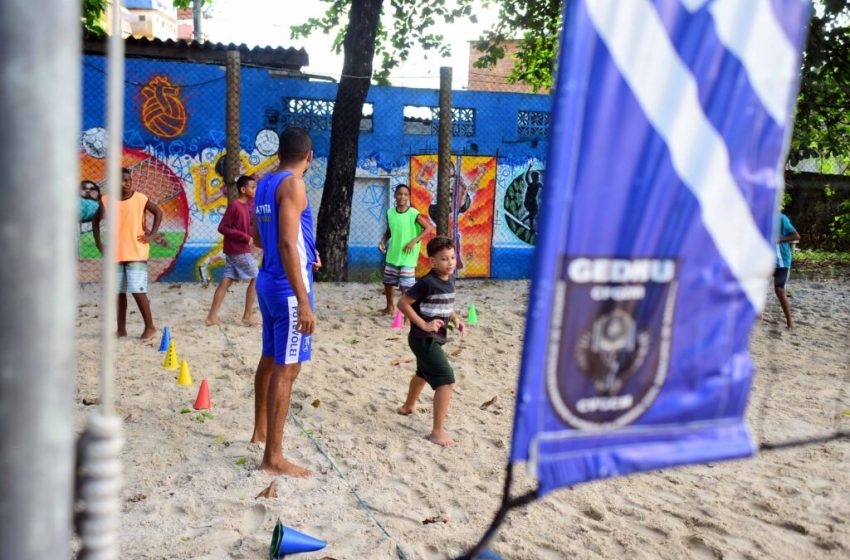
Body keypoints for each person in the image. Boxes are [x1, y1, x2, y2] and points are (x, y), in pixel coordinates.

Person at [249, 127, 320, 477]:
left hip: (267, 281)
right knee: (288, 369)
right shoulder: (294, 183)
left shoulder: (264, 182)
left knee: (270, 356)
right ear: (309, 156)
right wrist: (304, 302)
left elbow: (259, 236)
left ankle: (260, 430)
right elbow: (288, 244)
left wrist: (307, 253)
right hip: (288, 289)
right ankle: (273, 457)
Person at [396, 235, 465, 447]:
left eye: (452, 257)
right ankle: (437, 432)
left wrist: (455, 319)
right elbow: (403, 304)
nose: (450, 262)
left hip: (433, 338)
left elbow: (445, 303)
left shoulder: (450, 279)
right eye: (444, 259)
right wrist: (423, 324)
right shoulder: (426, 283)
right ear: (432, 262)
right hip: (424, 338)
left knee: (423, 373)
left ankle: (408, 406)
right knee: (445, 380)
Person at [93, 167, 163, 339]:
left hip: (136, 253)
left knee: (138, 291)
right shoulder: (106, 200)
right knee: (119, 293)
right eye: (122, 180)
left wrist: (152, 235)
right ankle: (121, 329)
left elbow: (158, 212)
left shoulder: (140, 199)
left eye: (129, 180)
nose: (126, 183)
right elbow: (95, 222)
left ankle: (150, 327)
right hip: (116, 255)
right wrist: (99, 243)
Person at [205, 175, 260, 326]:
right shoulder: (235, 205)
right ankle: (247, 316)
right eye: (253, 187)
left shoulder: (249, 205)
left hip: (236, 250)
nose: (255, 189)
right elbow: (222, 228)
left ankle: (211, 317)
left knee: (226, 282)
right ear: (243, 190)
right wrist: (244, 237)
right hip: (238, 250)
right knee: (257, 278)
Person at [378, 184, 435, 315]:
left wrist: (413, 241)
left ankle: (408, 315)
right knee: (388, 282)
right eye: (400, 194)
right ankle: (390, 307)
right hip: (393, 254)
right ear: (395, 195)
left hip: (408, 256)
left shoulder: (413, 213)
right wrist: (382, 241)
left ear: (408, 197)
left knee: (406, 287)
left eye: (405, 194)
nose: (402, 196)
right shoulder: (390, 213)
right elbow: (389, 231)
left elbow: (428, 228)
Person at [774, 212, 800, 329]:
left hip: (782, 261)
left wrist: (779, 239)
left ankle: (790, 321)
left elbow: (796, 236)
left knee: (779, 290)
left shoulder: (781, 218)